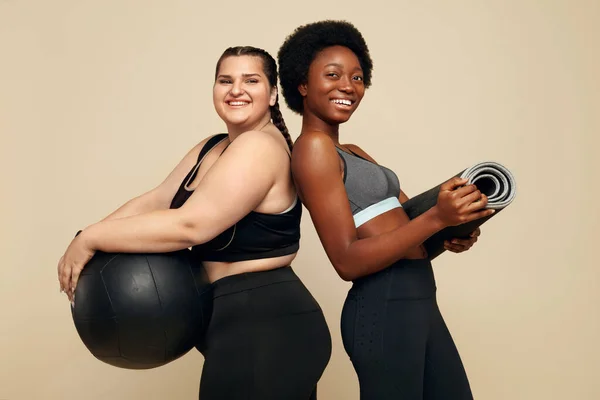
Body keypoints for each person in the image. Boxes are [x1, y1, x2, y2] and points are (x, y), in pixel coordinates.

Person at [57, 46, 331, 400]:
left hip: (267, 324)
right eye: (225, 80)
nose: (236, 90)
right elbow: (154, 201)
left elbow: (191, 226)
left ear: (273, 93)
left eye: (251, 80)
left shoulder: (260, 148)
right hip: (232, 323)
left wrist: (92, 239)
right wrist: (82, 240)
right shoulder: (214, 147)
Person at [277, 21, 492, 400]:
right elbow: (346, 260)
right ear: (302, 84)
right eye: (333, 74)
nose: (348, 85)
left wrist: (450, 231)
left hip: (419, 298)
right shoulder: (312, 148)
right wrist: (437, 218)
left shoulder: (354, 152)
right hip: (383, 306)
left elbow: (407, 228)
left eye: (357, 77)